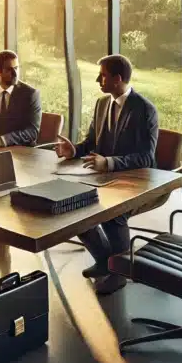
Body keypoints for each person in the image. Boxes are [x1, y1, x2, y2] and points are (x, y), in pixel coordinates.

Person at [55, 54, 159, 295]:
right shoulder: (103, 104)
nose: (97, 80)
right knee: (75, 207)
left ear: (117, 78)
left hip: (137, 182)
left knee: (113, 214)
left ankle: (120, 273)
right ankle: (105, 261)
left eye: (102, 75)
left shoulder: (145, 110)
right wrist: (74, 150)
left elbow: (146, 157)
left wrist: (109, 162)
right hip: (104, 179)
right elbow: (92, 142)